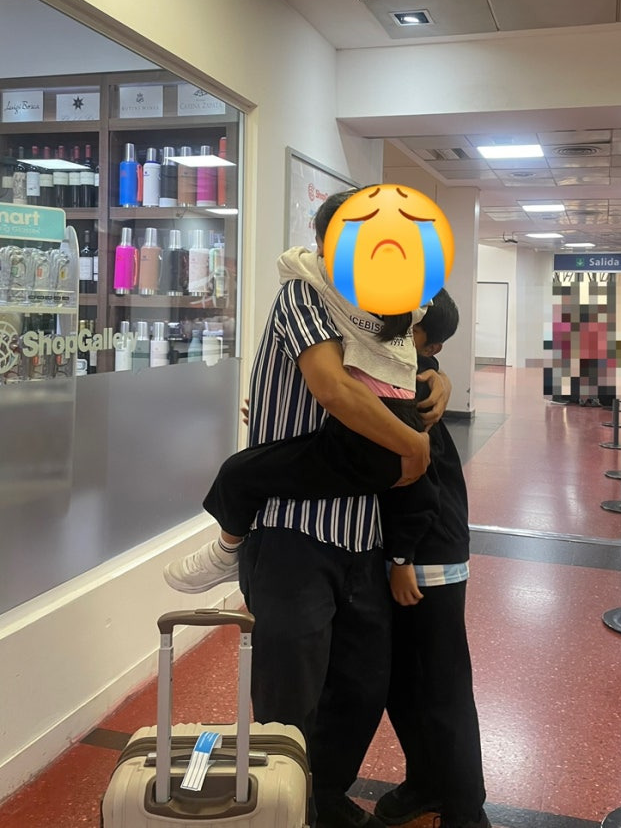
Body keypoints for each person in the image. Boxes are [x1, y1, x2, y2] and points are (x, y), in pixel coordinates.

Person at [169, 189, 450, 828]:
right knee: (289, 694)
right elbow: (332, 387)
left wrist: (436, 377)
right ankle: (282, 809)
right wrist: (412, 443)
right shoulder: (304, 293)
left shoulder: (383, 308)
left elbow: (408, 361)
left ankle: (318, 798)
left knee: (361, 685)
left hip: (363, 533)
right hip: (292, 531)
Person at [164, 240, 442, 595]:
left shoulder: (332, 297)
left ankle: (226, 552)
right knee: (261, 467)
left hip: (367, 447)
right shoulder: (401, 309)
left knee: (238, 473)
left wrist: (416, 445)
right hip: (383, 446)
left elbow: (335, 389)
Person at [376, 290, 489, 828]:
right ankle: (426, 781)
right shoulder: (403, 370)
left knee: (441, 688)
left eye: (405, 323)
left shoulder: (415, 385)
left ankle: (466, 808)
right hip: (412, 555)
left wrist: (401, 558)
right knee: (403, 684)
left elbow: (415, 483)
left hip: (426, 560)